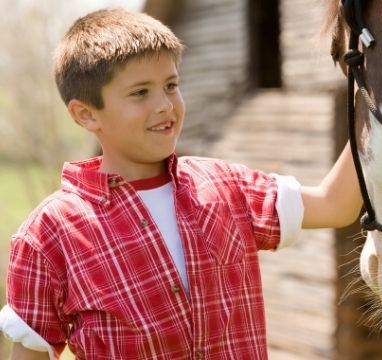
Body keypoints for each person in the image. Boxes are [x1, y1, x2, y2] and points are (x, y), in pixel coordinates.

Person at [0, 8, 362, 360]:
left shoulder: (225, 185)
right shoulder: (48, 235)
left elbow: (335, 204)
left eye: (171, 85)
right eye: (140, 92)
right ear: (86, 114)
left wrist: (381, 99)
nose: (164, 105)